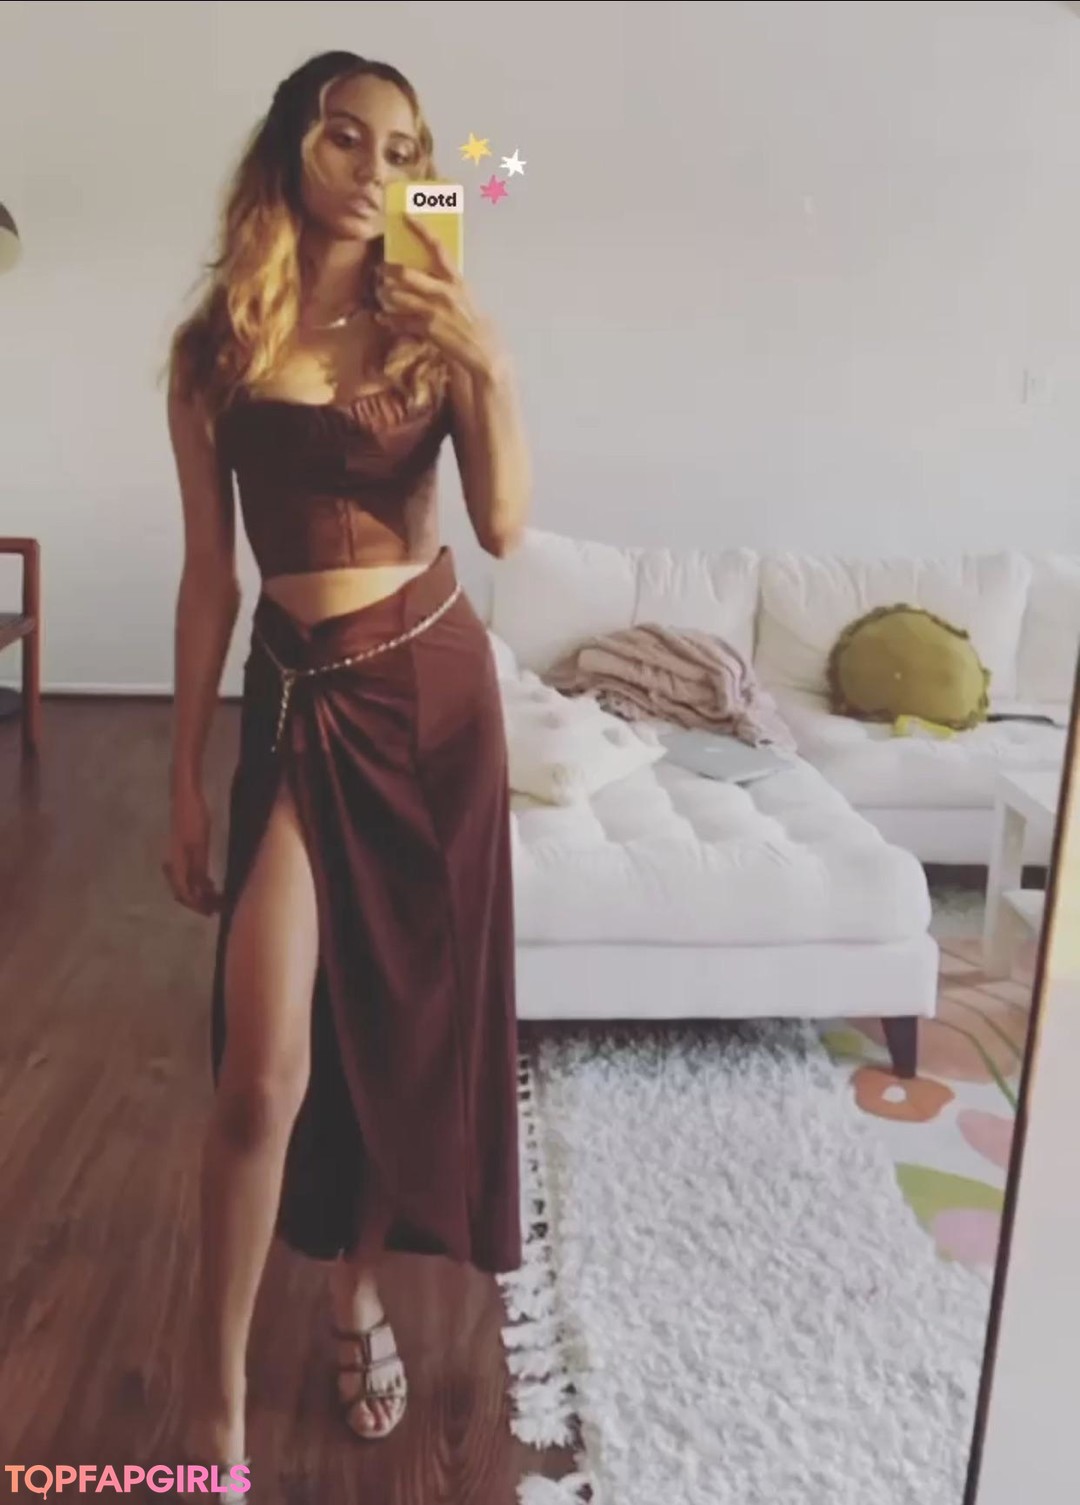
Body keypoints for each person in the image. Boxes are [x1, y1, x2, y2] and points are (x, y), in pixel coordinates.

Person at [162, 49, 529, 1479]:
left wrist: (485, 356)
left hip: (430, 701)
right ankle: (213, 1408)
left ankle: (355, 1292)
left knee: (404, 1030)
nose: (376, 169)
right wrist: (182, 775)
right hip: (295, 697)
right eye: (346, 138)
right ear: (290, 148)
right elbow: (210, 575)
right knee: (261, 1074)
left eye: (404, 149)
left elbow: (502, 522)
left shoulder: (430, 324)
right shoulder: (215, 348)